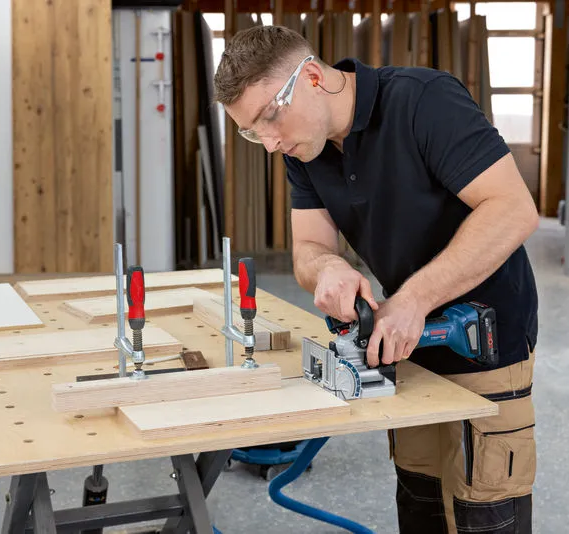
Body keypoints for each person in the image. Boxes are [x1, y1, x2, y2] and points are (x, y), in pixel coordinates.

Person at [214, 24, 540, 534]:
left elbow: (514, 210)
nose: (270, 142)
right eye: (251, 131)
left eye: (270, 117)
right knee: (420, 496)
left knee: (482, 503)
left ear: (314, 78)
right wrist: (329, 268)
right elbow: (310, 248)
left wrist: (415, 299)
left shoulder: (424, 102)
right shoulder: (306, 146)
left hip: (484, 336)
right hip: (403, 343)